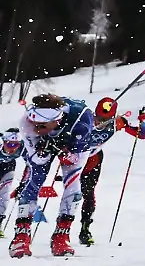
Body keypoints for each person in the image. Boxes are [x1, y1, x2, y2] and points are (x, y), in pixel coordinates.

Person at [7, 94, 100, 257]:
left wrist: (65, 149)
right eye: (34, 122)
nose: (36, 128)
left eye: (42, 126)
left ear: (56, 120)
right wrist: (45, 148)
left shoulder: (82, 120)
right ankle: (21, 235)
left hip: (75, 141)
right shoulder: (27, 123)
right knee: (35, 179)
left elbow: (74, 158)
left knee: (73, 182)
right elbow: (37, 160)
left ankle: (61, 234)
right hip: (44, 145)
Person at [76, 97, 145, 246]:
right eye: (98, 119)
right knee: (72, 194)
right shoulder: (86, 119)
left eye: (105, 119)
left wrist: (144, 122)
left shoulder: (117, 122)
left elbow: (142, 135)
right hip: (76, 158)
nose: (100, 122)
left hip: (93, 159)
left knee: (88, 194)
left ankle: (85, 229)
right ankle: (61, 229)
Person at [0, 128, 21, 238]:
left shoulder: (22, 147)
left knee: (4, 195)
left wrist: (23, 184)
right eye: (10, 144)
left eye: (16, 145)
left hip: (8, 168)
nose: (13, 148)